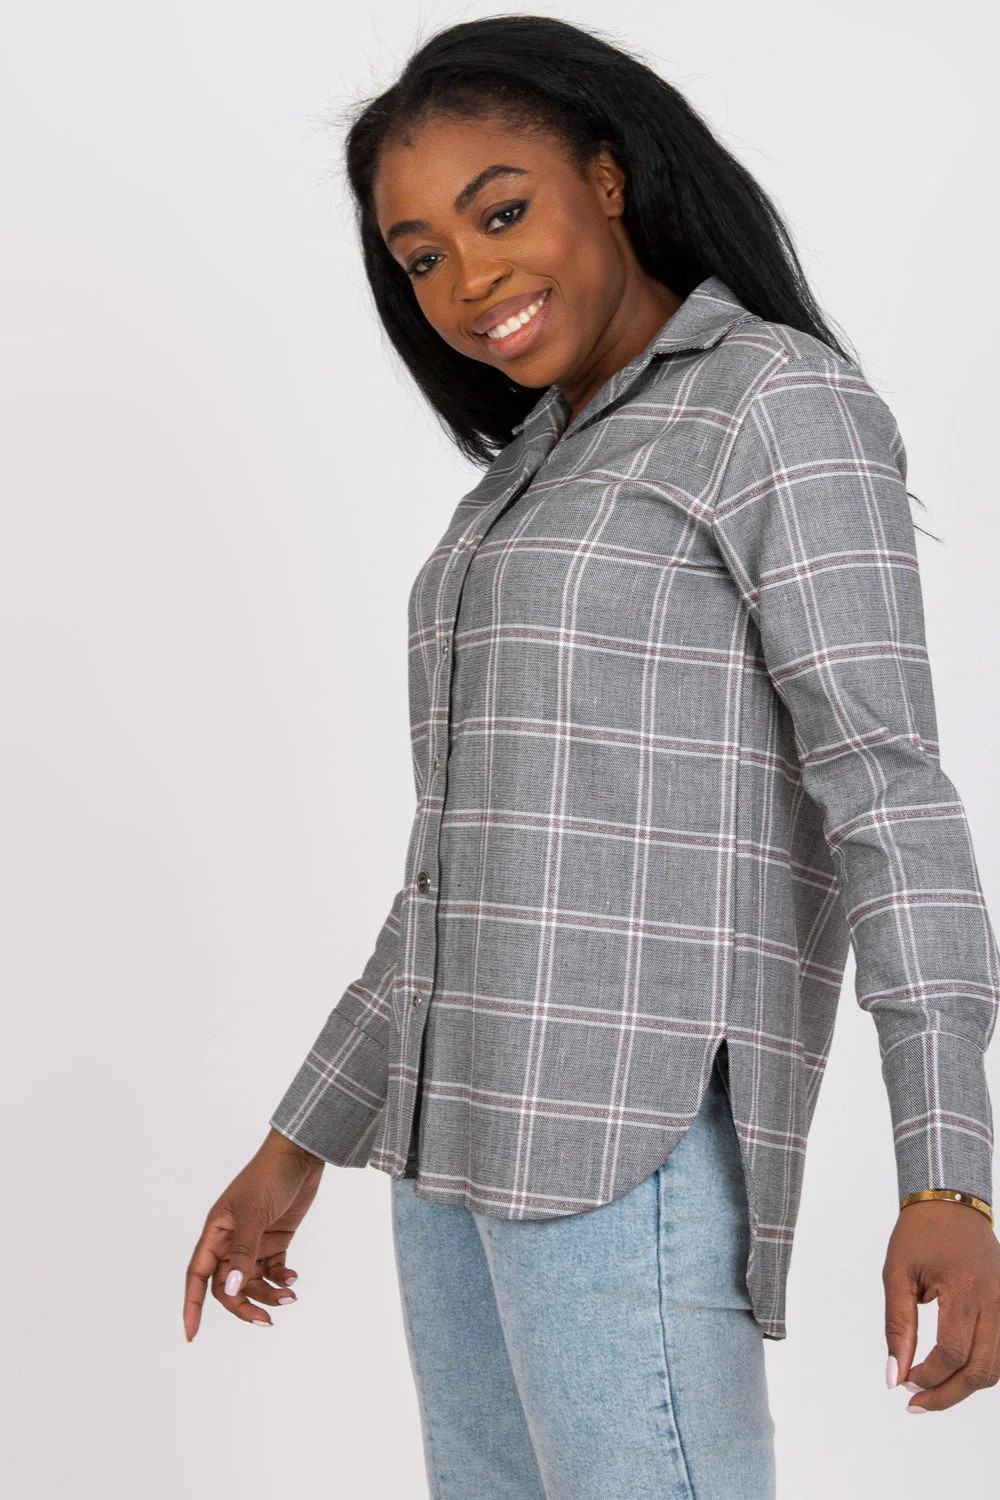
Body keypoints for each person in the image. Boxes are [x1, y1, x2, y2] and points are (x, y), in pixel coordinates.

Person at [184, 15, 1000, 1496]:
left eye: (501, 213)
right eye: (422, 256)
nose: (469, 280)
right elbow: (464, 871)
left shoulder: (774, 404)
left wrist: (949, 1169)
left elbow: (889, 799)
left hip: (626, 1143)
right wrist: (300, 1137)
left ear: (608, 178)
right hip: (446, 1155)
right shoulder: (527, 473)